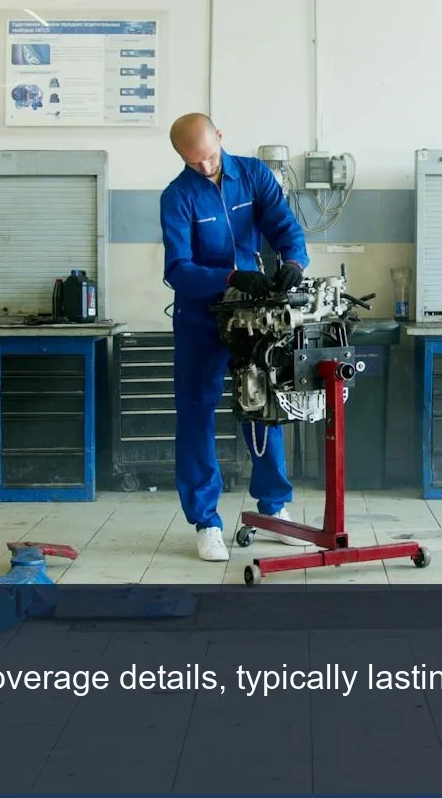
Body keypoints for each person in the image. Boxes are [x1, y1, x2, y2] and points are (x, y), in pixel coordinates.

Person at [160, 113, 309, 561]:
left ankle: (275, 508)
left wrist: (294, 262)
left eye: (209, 156)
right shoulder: (177, 196)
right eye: (194, 162)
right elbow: (177, 269)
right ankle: (206, 522)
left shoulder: (254, 174)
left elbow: (283, 225)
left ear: (220, 138)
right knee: (196, 416)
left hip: (252, 316)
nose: (205, 167)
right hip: (200, 320)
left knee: (263, 407)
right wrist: (230, 276)